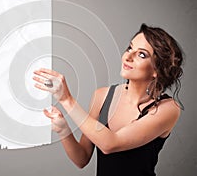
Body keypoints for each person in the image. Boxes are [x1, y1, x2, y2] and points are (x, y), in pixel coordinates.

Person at [32, 23, 184, 176]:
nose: (128, 57)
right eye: (130, 48)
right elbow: (81, 158)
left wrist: (67, 100)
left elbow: (110, 144)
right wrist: (63, 129)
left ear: (157, 69)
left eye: (141, 54)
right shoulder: (102, 96)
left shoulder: (168, 109)